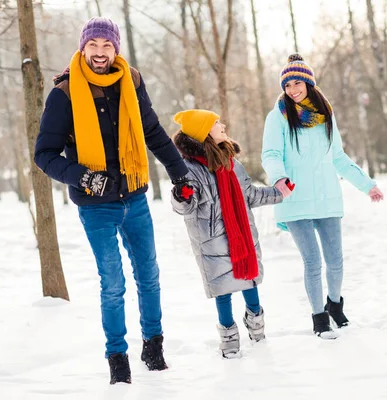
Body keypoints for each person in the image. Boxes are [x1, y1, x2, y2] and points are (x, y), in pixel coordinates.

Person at [34, 17, 191, 384]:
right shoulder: (65, 93)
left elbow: (152, 131)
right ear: (83, 48)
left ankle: (154, 347)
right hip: (96, 205)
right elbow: (44, 155)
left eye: (107, 46)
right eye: (94, 46)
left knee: (149, 276)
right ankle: (117, 358)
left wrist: (180, 172)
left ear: (115, 49)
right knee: (113, 283)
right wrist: (84, 177)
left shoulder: (131, 82)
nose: (101, 53)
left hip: (134, 196)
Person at [261, 54, 384, 339]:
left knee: (336, 260)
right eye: (287, 84)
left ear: (308, 82)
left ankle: (335, 305)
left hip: (327, 197)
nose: (292, 89)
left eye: (297, 82)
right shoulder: (277, 116)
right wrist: (279, 179)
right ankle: (318, 316)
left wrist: (367, 185)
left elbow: (338, 158)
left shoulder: (325, 114)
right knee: (313, 262)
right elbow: (270, 153)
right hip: (294, 198)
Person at [170, 109, 290, 358]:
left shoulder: (233, 164)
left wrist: (279, 192)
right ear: (204, 132)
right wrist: (182, 195)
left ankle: (256, 324)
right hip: (211, 240)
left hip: (242, 235)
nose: (222, 125)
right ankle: (229, 336)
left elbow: (251, 195)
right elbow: (186, 206)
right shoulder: (189, 169)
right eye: (216, 123)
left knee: (250, 281)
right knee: (223, 291)